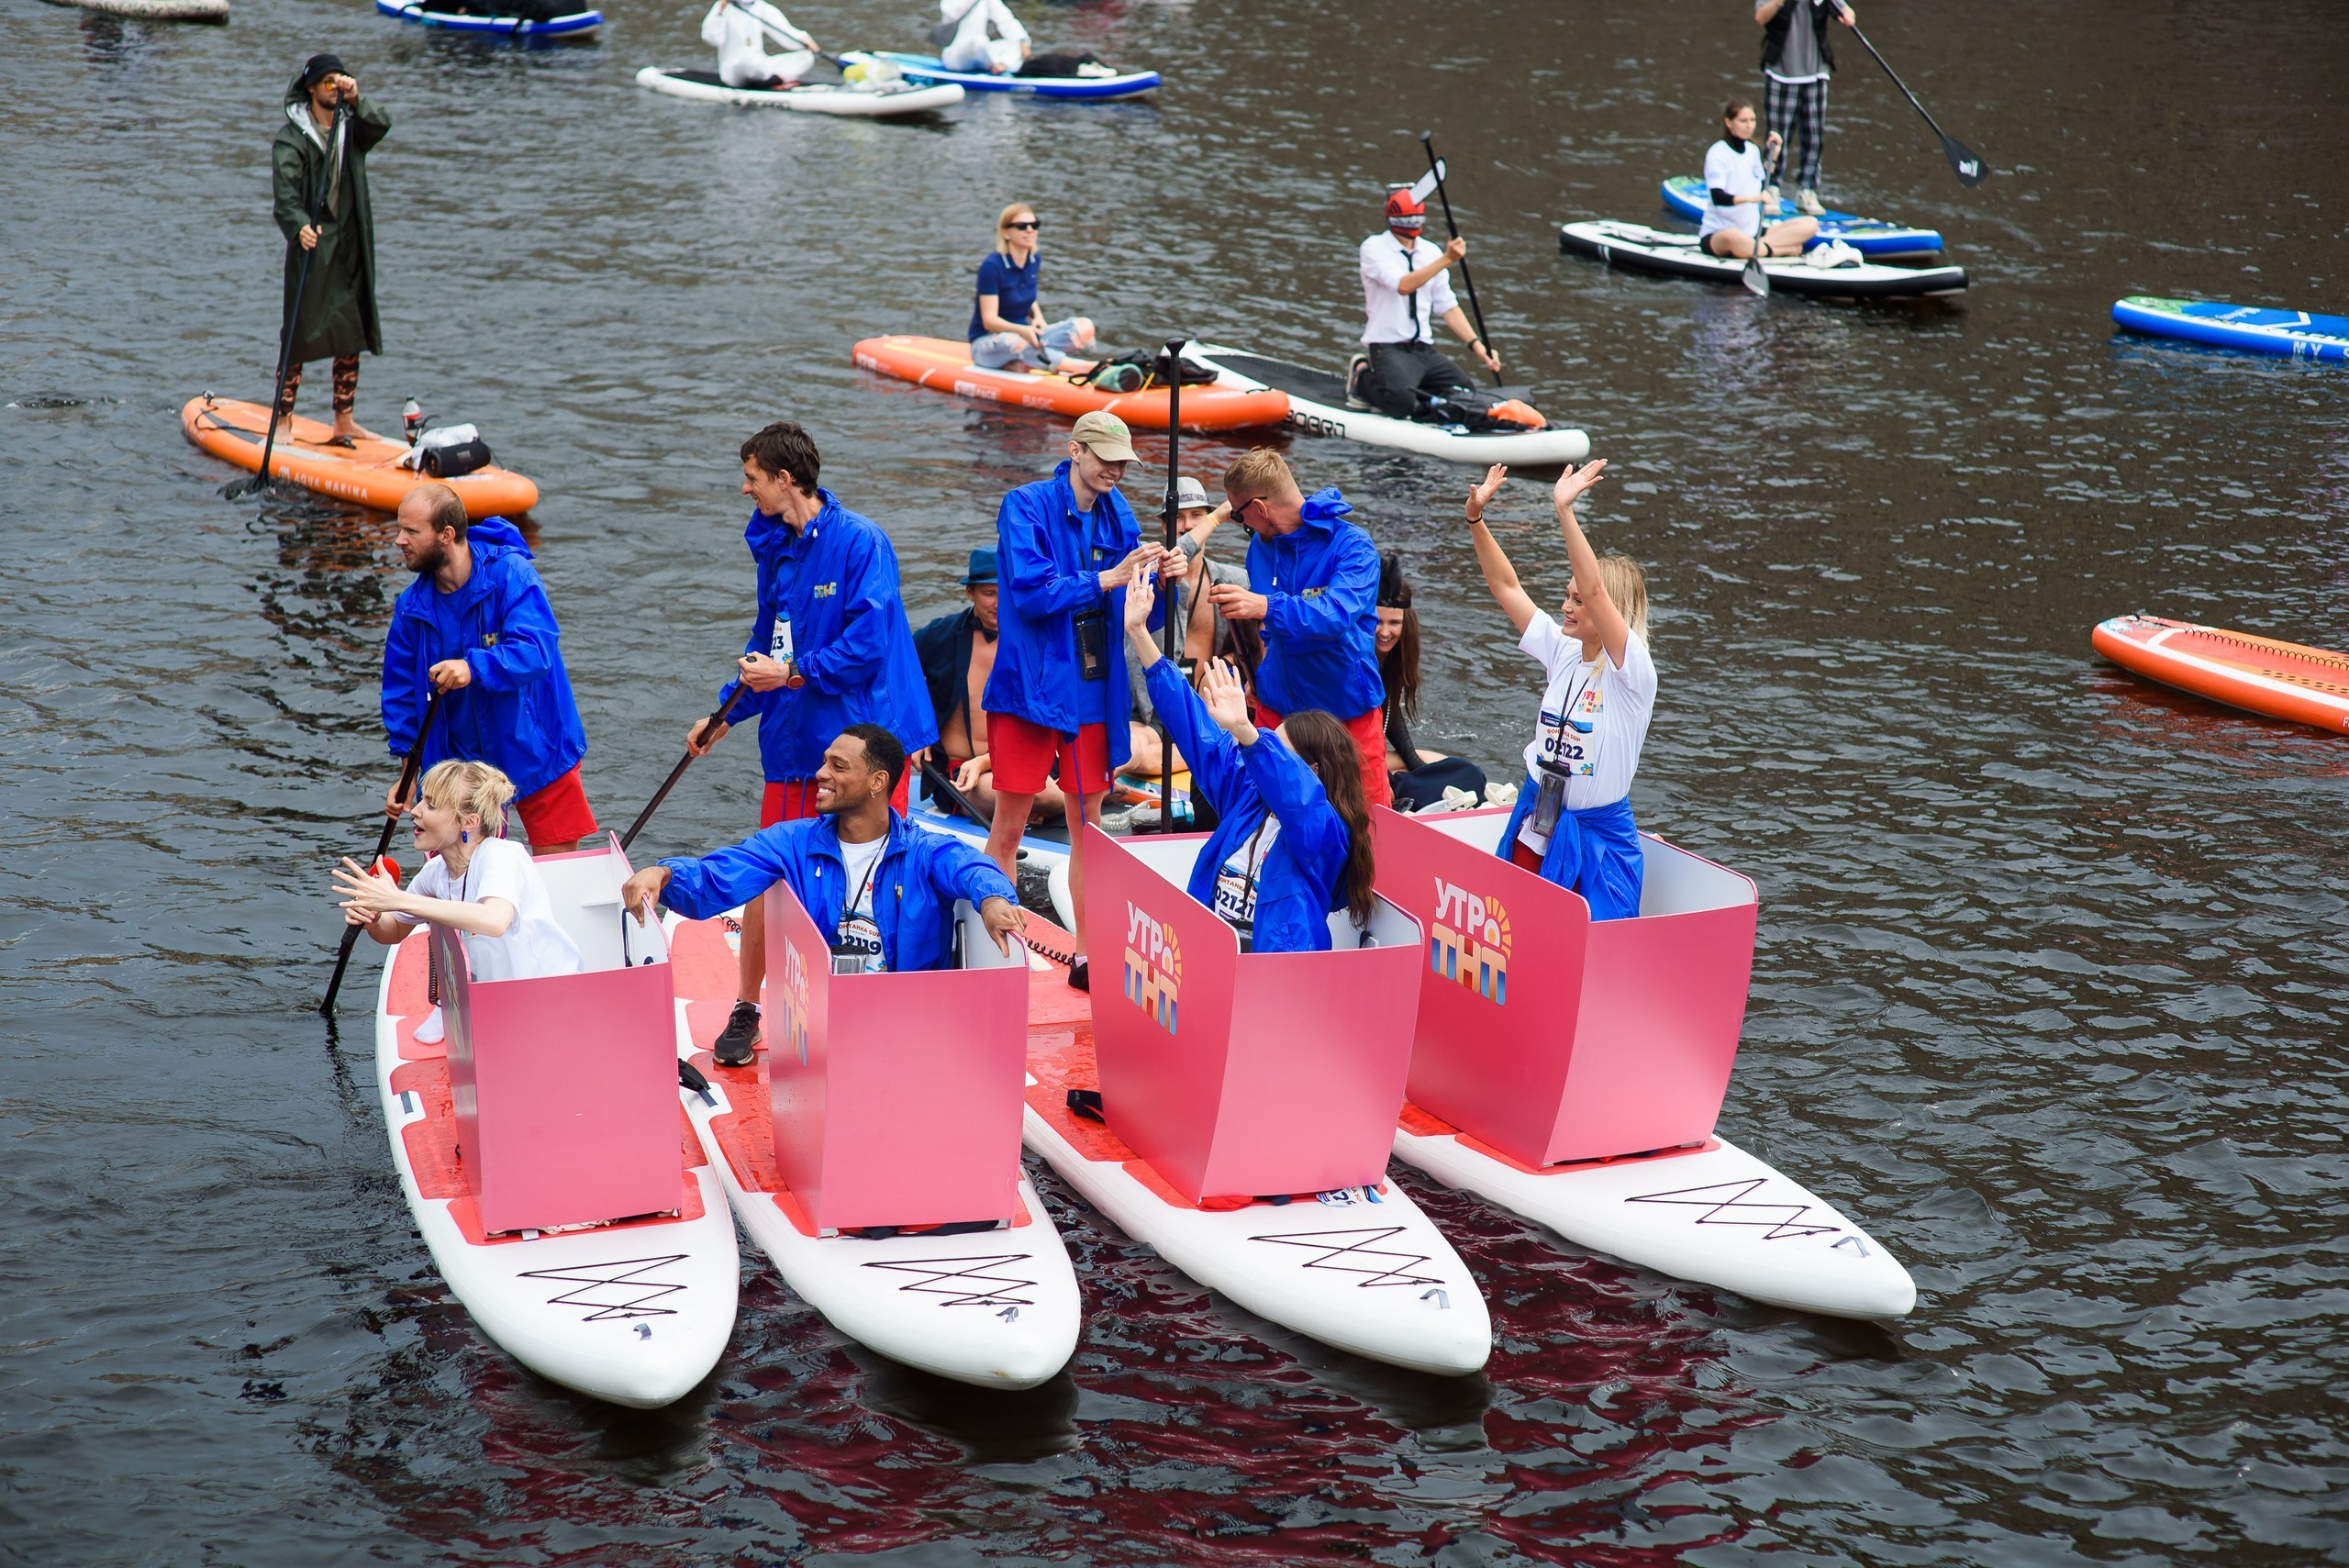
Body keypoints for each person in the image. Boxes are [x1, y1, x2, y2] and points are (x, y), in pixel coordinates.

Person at [685, 421, 937, 1066]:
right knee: (772, 878)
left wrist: (791, 674)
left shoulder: (862, 543)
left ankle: (884, 996)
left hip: (862, 743)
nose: (744, 489)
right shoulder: (777, 549)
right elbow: (767, 647)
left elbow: (868, 647)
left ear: (784, 480)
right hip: (793, 740)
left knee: (876, 874)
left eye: (751, 478)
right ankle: (748, 1007)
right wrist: (725, 713)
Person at [620, 727, 1026, 1029]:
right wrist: (665, 874)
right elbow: (718, 877)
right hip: (820, 1027)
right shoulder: (791, 842)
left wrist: (992, 900)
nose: (820, 773)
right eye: (824, 762)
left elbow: (972, 868)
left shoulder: (924, 850)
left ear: (877, 782)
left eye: (838, 765)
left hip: (911, 1022)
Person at [981, 411, 1170, 990]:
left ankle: (1086, 955)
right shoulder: (1025, 504)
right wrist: (1107, 579)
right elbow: (1032, 594)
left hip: (1095, 687)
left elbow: (1147, 614)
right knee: (1009, 822)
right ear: (1075, 451)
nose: (1115, 470)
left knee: (1088, 822)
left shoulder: (1121, 514)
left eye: (1123, 462)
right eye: (1106, 458)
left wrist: (1163, 579)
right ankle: (999, 950)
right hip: (1032, 689)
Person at [1123, 573, 1375, 954]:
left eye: (1278, 749)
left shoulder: (1325, 830)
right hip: (1214, 957)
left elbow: (1297, 797)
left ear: (1315, 771)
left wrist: (1247, 730)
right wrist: (1140, 634)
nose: (1264, 755)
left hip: (1279, 976)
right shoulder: (1247, 793)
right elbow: (1193, 725)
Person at [1462, 461, 1655, 921]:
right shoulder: (1563, 650)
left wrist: (1564, 511)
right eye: (1565, 596)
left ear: (1609, 610)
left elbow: (1596, 587)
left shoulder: (1633, 674)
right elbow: (1505, 585)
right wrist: (1475, 519)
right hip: (1537, 815)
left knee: (1594, 951)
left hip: (1598, 836)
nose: (1566, 607)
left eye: (1577, 600)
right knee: (1517, 933)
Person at [383, 483, 597, 856]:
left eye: (411, 532)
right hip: (458, 764)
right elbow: (401, 695)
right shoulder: (410, 607)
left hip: (534, 746)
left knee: (560, 866)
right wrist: (407, 772)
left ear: (446, 535)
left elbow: (536, 649)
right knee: (462, 878)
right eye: (400, 530)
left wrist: (473, 666)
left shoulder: (510, 573)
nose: (399, 540)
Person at [1207, 450, 1391, 811]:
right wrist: (1258, 676)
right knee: (1262, 811)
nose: (1244, 525)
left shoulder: (1353, 545)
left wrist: (1264, 606)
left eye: (1240, 515)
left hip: (1346, 715)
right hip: (1277, 710)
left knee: (1369, 821)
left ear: (1259, 509)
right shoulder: (1259, 550)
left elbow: (1336, 615)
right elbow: (1271, 634)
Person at [334, 760, 585, 995]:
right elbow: (397, 928)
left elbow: (495, 920)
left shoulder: (501, 856)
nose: (415, 811)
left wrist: (398, 899)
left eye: (431, 805)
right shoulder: (435, 871)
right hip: (496, 997)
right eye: (421, 801)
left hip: (550, 991)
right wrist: (374, 919)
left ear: (468, 822)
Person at [272, 54, 391, 445]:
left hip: (349, 240)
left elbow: (381, 123)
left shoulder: (350, 128)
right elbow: (286, 197)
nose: (333, 88)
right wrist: (299, 226)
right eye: (328, 82)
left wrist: (356, 98)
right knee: (300, 329)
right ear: (311, 87)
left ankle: (344, 419)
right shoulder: (293, 138)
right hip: (314, 240)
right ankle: (284, 421)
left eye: (339, 82)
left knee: (350, 327)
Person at [1354, 188, 1518, 429]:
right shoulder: (1373, 248)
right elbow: (1403, 285)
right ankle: (1361, 377)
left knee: (1465, 391)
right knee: (1401, 404)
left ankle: (1416, 389)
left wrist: (1479, 347)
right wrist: (1446, 260)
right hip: (1388, 347)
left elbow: (1448, 306)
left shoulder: (1430, 251)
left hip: (1423, 350)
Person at [1123, 475, 1244, 779]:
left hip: (1209, 712)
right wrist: (1218, 517)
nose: (1187, 525)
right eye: (1178, 517)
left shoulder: (1236, 580)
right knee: (1129, 750)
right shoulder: (1148, 574)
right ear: (1165, 527)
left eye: (1196, 516)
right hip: (1154, 715)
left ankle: (1202, 750)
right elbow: (1176, 553)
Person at [1375, 554, 1488, 811]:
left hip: (1377, 754)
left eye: (1394, 623)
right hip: (1356, 762)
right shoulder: (1356, 661)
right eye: (1378, 622)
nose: (1384, 632)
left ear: (1407, 625)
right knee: (1455, 777)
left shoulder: (1394, 662)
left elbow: (1390, 714)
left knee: (1466, 770)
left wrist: (1414, 762)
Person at [1755, 0, 1858, 217]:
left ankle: (1807, 190)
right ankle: (1771, 188)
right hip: (1782, 73)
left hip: (1816, 73)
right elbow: (1760, 17)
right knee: (1777, 136)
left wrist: (1848, 15)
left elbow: (1845, 10)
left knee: (1813, 137)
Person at [970, 204, 1097, 373]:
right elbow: (989, 321)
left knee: (1084, 326)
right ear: (1006, 233)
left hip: (1027, 335)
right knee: (1017, 342)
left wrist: (1037, 316)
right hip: (988, 343)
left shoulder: (1033, 259)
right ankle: (1091, 368)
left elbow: (1024, 292)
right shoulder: (992, 266)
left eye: (1034, 225)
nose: (1030, 230)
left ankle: (1027, 362)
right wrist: (1022, 330)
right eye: (1022, 226)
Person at [1699, 99, 1821, 260]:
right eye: (1743, 121)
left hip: (1752, 232)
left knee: (1810, 224)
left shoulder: (1752, 150)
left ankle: (1758, 248)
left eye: (1752, 120)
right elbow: (1718, 197)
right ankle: (1782, 250)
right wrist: (1753, 199)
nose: (1750, 126)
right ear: (1729, 123)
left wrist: (1774, 154)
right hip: (1721, 233)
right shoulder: (1718, 153)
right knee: (1734, 237)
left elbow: (1761, 179)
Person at [701, 0, 818, 88]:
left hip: (759, 66)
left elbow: (785, 32)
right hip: (734, 69)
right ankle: (771, 82)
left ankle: (772, 81)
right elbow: (712, 39)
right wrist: (720, 13)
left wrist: (805, 40)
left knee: (806, 57)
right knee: (750, 62)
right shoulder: (722, 7)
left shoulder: (761, 7)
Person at [937, 0, 1028, 74]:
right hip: (957, 58)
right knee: (979, 41)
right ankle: (996, 64)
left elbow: (1006, 21)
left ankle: (1002, 65)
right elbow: (952, 12)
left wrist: (1022, 41)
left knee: (1017, 42)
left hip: (981, 54)